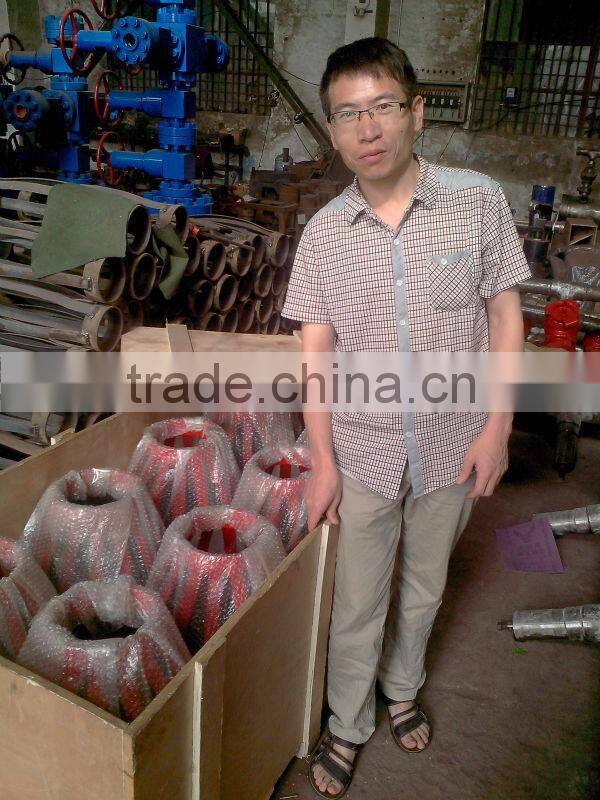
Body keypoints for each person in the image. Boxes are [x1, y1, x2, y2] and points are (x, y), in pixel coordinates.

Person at [281, 37, 531, 799]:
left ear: (416, 112)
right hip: (361, 450)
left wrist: (498, 427)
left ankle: (402, 686)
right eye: (348, 114)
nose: (368, 129)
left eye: (383, 106)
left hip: (454, 444)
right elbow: (314, 357)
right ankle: (349, 722)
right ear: (332, 130)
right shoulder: (323, 236)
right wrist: (322, 460)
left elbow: (506, 315)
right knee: (357, 600)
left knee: (425, 586)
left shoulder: (476, 200)